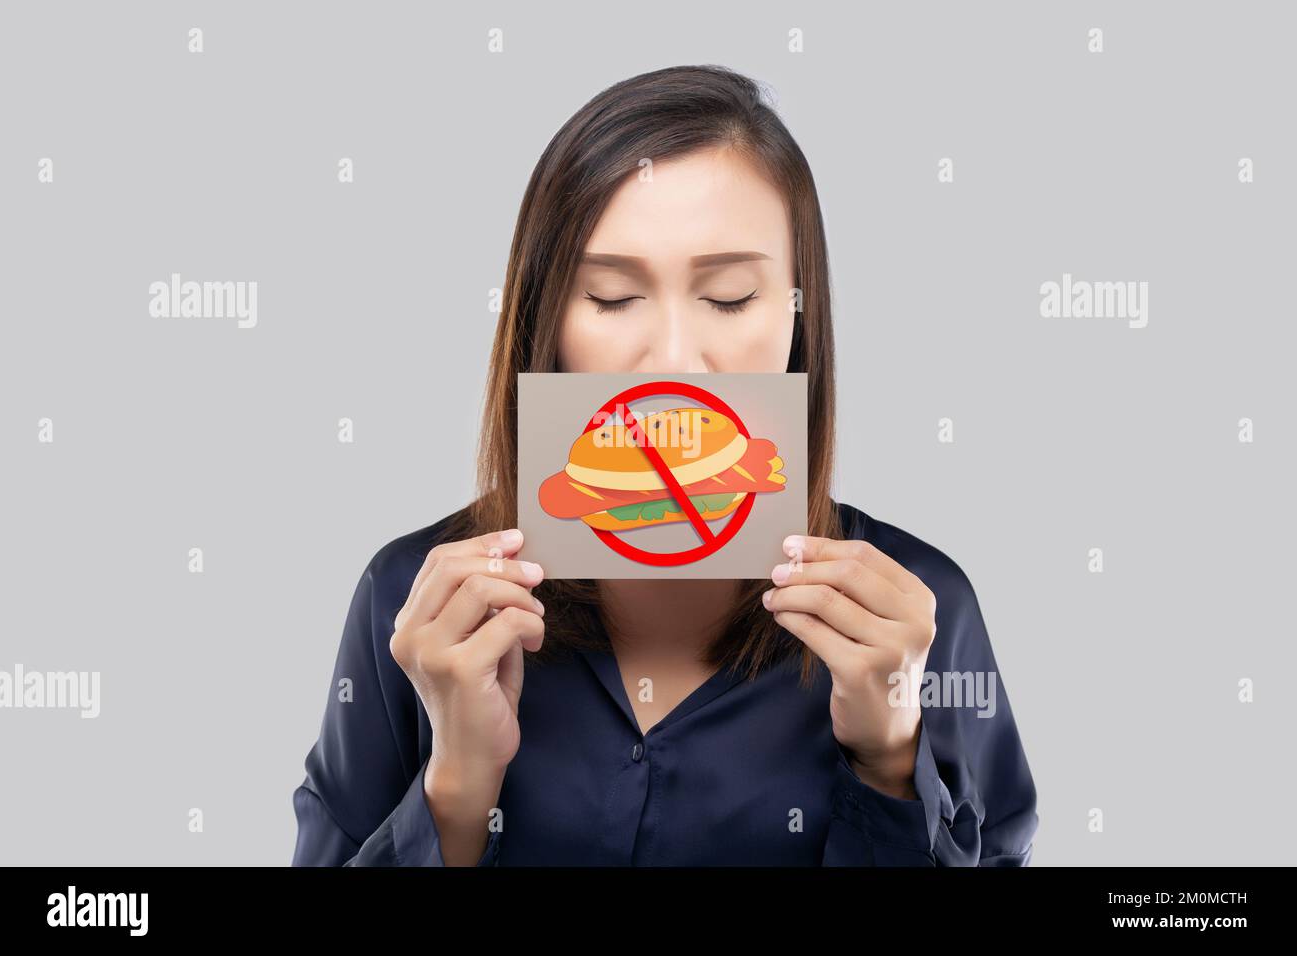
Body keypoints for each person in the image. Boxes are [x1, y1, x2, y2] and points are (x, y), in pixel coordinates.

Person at [290, 64, 1038, 866]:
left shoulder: (922, 613)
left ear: (798, 319)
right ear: (546, 324)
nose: (674, 360)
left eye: (729, 298)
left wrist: (891, 764)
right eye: (611, 298)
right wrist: (459, 788)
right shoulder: (410, 605)